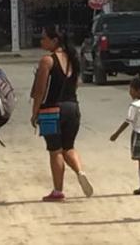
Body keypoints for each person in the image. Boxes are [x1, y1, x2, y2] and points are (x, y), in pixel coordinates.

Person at [30, 25, 94, 202]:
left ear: (54, 40)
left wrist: (35, 113)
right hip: (72, 108)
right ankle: (80, 171)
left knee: (55, 150)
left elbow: (40, 90)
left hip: (51, 110)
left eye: (44, 38)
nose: (41, 41)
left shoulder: (47, 61)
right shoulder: (73, 59)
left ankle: (58, 191)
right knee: (69, 147)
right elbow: (75, 85)